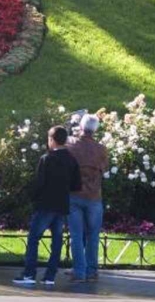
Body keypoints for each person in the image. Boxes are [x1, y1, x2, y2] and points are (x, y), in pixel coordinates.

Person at [12, 125, 82, 288]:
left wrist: (33, 199)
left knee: (34, 239)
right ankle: (50, 276)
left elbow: (39, 183)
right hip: (62, 205)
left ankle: (29, 273)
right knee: (56, 242)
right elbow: (76, 185)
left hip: (45, 205)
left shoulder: (47, 159)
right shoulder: (71, 160)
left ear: (51, 140)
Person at [67, 114, 110, 283]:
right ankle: (91, 270)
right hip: (94, 196)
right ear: (96, 129)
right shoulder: (101, 149)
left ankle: (79, 271)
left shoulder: (71, 145)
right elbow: (105, 169)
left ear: (81, 127)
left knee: (76, 235)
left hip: (75, 194)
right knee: (93, 235)